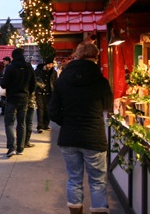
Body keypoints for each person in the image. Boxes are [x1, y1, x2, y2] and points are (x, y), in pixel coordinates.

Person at [49, 43, 113, 214]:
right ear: (96, 58)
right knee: (98, 181)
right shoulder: (101, 81)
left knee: (74, 179)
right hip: (94, 136)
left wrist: (66, 121)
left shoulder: (62, 81)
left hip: (69, 137)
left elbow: (53, 111)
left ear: (76, 56)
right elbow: (108, 105)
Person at [0, 48, 35, 157]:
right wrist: (28, 94)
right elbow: (33, 84)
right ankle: (20, 148)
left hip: (12, 99)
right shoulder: (28, 67)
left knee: (9, 123)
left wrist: (2, 80)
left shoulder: (10, 68)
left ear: (13, 56)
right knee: (22, 123)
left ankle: (11, 148)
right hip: (24, 99)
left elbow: (3, 84)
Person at [35, 57, 57, 133]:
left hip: (49, 93)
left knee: (47, 110)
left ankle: (46, 124)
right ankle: (40, 126)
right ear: (45, 64)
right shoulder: (38, 71)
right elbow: (35, 81)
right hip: (40, 93)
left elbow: (55, 83)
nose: (50, 66)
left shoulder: (53, 72)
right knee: (40, 110)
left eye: (51, 64)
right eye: (49, 64)